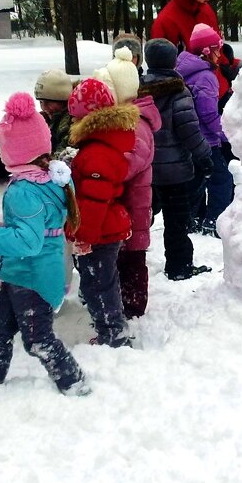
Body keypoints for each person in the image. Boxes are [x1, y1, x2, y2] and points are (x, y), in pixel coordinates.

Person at [0, 92, 88, 405]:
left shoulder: (23, 191)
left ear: (14, 152)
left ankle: (74, 382)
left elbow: (28, 242)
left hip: (31, 276)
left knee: (38, 340)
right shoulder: (54, 178)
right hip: (28, 273)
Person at [66, 77, 138, 347]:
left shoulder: (96, 152)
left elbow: (95, 199)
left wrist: (84, 236)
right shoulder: (98, 147)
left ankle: (113, 335)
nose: (72, 123)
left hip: (100, 232)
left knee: (98, 286)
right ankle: (112, 329)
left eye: (75, 118)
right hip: (103, 228)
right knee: (101, 282)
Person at [95, 48, 161, 317]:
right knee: (122, 258)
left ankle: (133, 306)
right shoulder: (127, 120)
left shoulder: (137, 124)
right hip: (125, 206)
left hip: (133, 207)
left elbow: (127, 165)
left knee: (132, 258)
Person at [142, 39, 214, 281]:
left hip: (145, 170)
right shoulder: (178, 91)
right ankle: (179, 266)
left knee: (142, 217)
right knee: (177, 222)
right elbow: (190, 131)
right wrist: (205, 155)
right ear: (173, 61)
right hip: (175, 173)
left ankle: (131, 265)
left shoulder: (137, 90)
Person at [176, 24, 233, 237]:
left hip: (188, 138)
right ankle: (214, 221)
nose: (221, 54)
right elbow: (208, 114)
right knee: (222, 179)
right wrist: (227, 134)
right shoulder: (206, 76)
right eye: (217, 49)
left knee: (196, 182)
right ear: (206, 51)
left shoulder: (183, 70)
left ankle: (192, 218)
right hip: (206, 140)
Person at [33, 68, 76, 155]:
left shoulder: (69, 124)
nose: (44, 107)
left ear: (63, 100)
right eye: (41, 102)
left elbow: (63, 155)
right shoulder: (51, 118)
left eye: (48, 102)